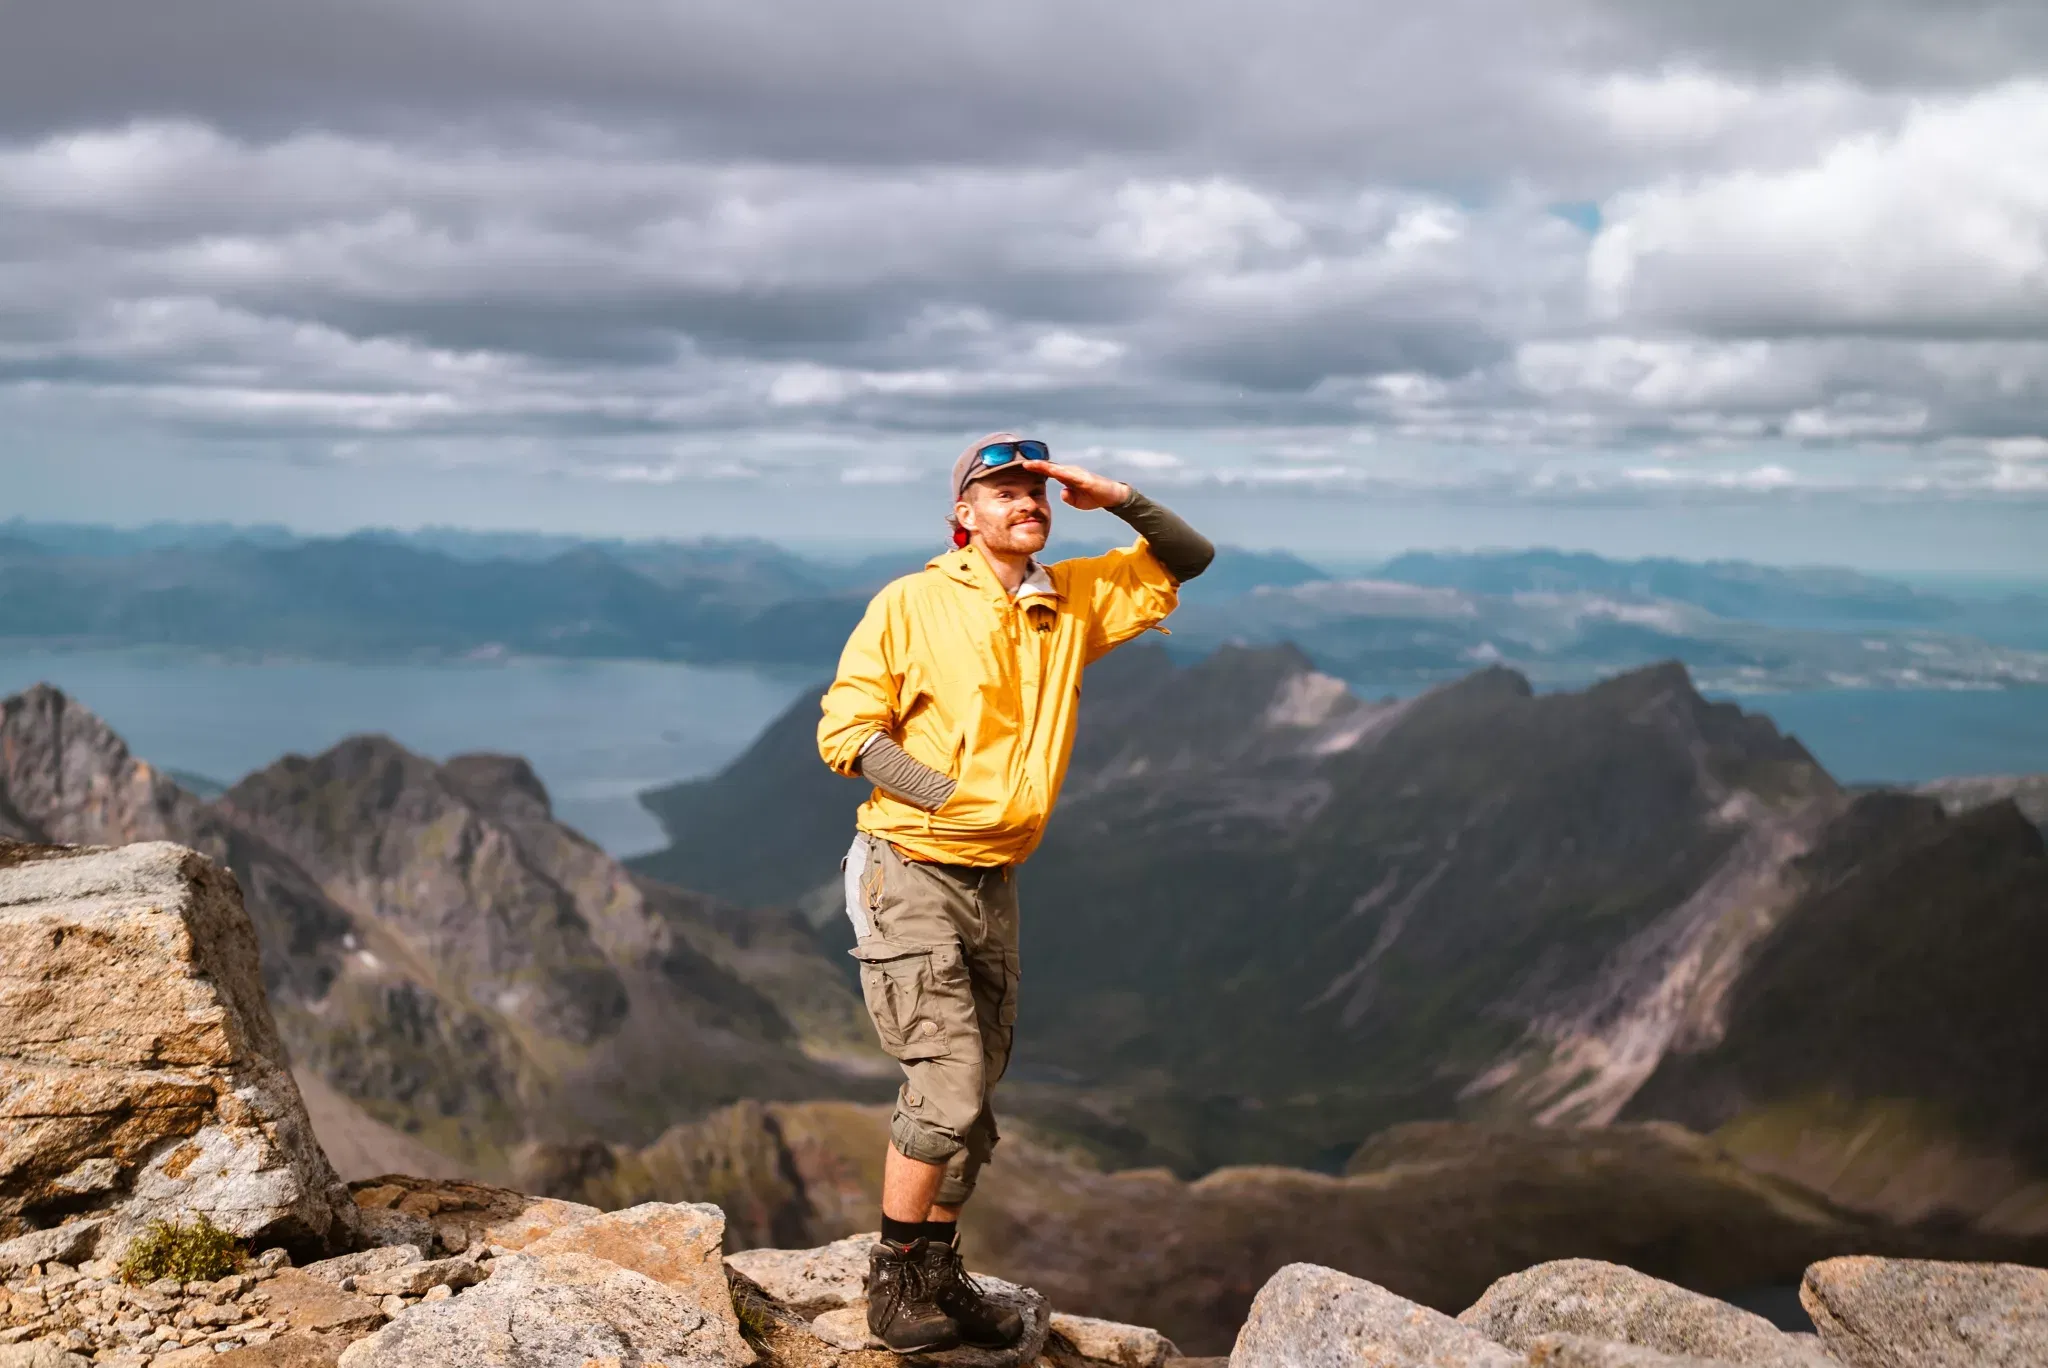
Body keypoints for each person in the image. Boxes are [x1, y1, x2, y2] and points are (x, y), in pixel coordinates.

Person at [816, 432, 1214, 1351]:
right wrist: (951, 797)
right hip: (909, 865)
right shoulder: (912, 602)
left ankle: (937, 1269)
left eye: (1034, 491)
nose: (1025, 503)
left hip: (994, 882)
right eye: (1002, 491)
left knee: (977, 1102)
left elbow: (1188, 559)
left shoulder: (1067, 599)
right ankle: (890, 1283)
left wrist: (1110, 493)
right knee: (946, 1087)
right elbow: (847, 731)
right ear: (964, 516)